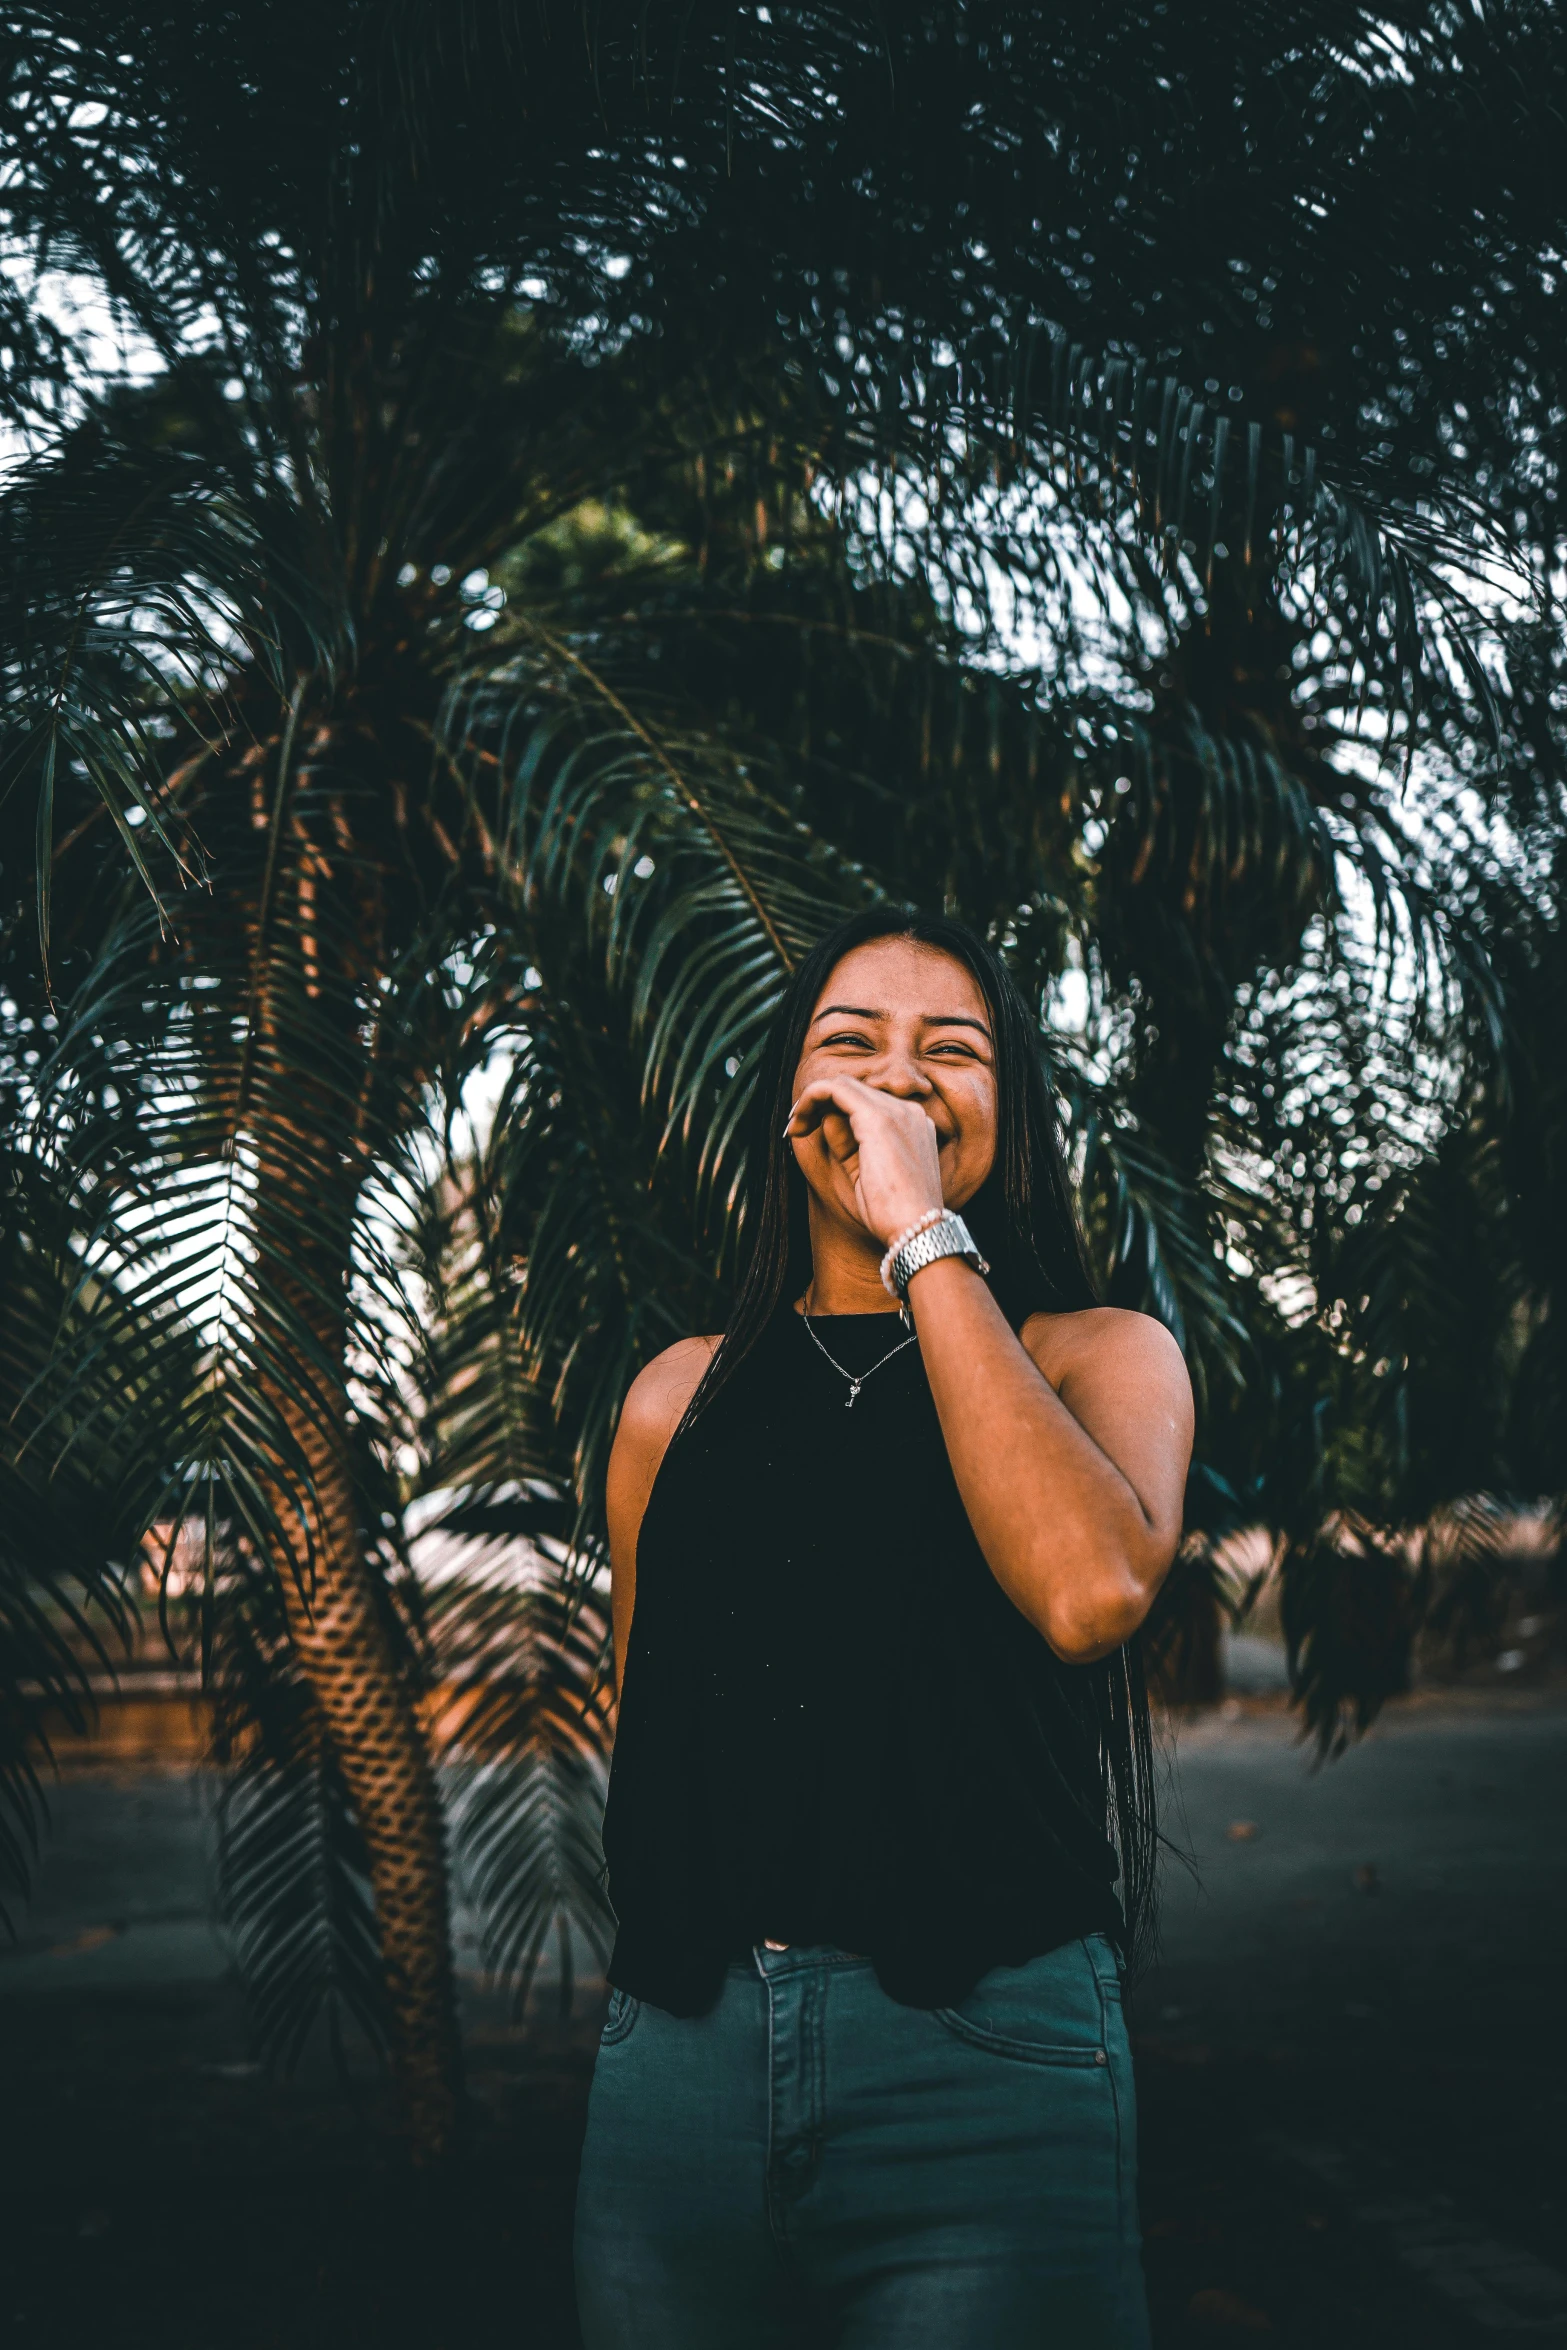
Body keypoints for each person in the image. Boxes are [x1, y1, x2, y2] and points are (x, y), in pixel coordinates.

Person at [573, 907, 1194, 2348]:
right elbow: (645, 1726)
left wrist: (921, 1231)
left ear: (1009, 1114)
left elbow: (1087, 1590)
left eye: (952, 1052)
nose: (900, 1077)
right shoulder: (677, 1395)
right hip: (679, 2064)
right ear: (788, 1099)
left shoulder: (1095, 1354)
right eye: (850, 1044)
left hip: (985, 2068)